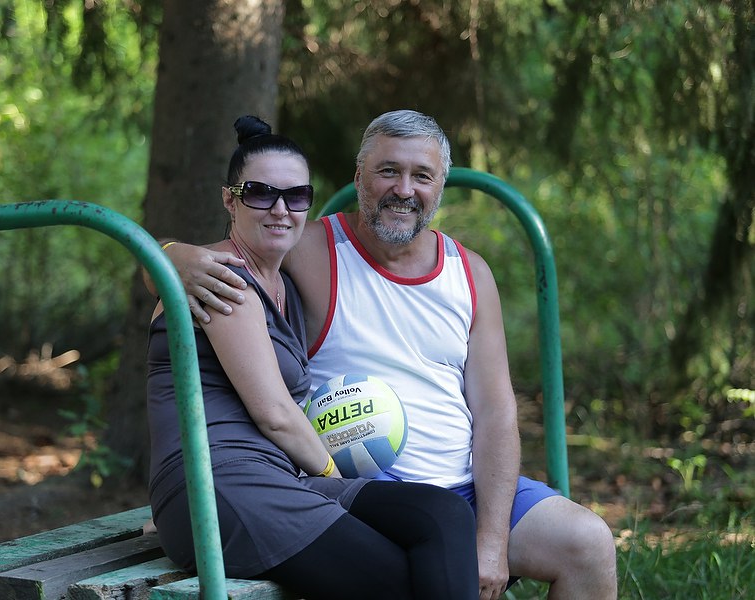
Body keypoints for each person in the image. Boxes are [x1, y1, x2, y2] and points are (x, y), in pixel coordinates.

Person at [165, 110, 618, 600]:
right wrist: (172, 255)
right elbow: (209, 266)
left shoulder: (470, 273)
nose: (404, 189)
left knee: (588, 544)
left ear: (440, 185)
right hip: (366, 493)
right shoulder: (308, 247)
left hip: (466, 487)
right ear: (359, 176)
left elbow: (496, 411)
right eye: (388, 171)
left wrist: (490, 542)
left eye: (422, 175)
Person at [147, 115, 479, 600]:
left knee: (443, 514)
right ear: (230, 200)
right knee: (406, 581)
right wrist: (333, 477)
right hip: (220, 487)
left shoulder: (285, 283)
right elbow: (276, 415)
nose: (280, 210)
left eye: (296, 196)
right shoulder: (222, 279)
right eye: (260, 194)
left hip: (278, 480)